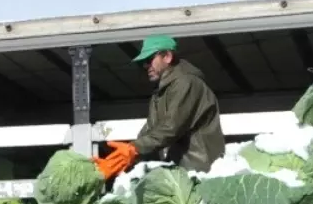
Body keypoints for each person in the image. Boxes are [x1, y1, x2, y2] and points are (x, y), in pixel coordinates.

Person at [96, 35, 226, 177]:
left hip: (201, 170)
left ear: (167, 57)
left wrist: (134, 148)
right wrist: (119, 158)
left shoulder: (187, 83)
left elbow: (171, 128)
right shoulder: (160, 92)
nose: (146, 66)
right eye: (143, 62)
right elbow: (151, 130)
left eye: (149, 60)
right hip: (181, 170)